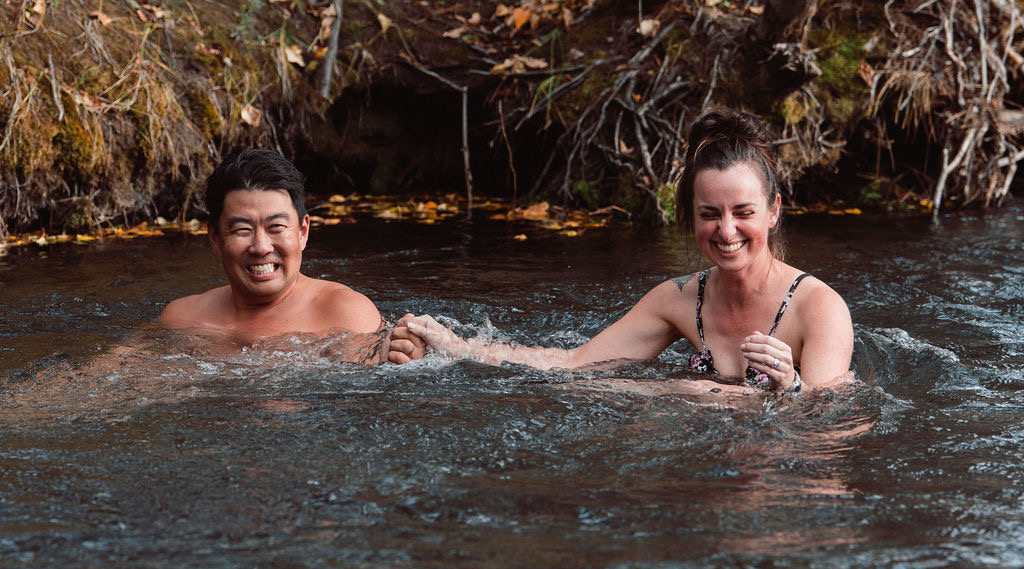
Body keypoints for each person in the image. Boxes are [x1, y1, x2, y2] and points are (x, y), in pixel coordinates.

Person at [388, 109, 853, 392]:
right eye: (710, 212)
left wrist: (791, 388)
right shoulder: (678, 300)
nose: (726, 230)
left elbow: (830, 421)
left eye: (743, 212)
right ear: (690, 216)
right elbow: (573, 364)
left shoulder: (819, 309)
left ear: (773, 211)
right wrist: (455, 347)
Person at [160, 148, 386, 356]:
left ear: (302, 232)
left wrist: (402, 352)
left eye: (275, 227)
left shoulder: (347, 314)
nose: (261, 247)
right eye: (242, 229)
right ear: (215, 238)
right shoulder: (181, 319)